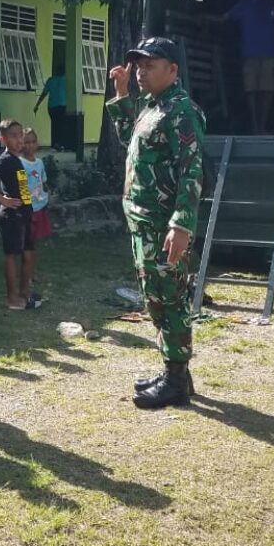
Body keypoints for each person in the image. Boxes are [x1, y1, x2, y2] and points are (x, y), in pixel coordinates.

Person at [106, 37, 208, 409]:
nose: (140, 71)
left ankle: (176, 381)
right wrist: (120, 94)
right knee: (156, 300)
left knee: (171, 298)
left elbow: (192, 172)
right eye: (138, 65)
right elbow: (130, 142)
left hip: (164, 227)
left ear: (173, 70)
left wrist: (181, 225)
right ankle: (174, 371)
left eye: (150, 65)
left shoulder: (181, 111)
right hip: (144, 225)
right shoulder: (152, 107)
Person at [205, 0, 274, 134]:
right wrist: (206, 18)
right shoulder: (244, 5)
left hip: (269, 54)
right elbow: (224, 18)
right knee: (251, 91)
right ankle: (256, 126)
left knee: (267, 91)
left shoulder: (272, 6)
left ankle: (263, 125)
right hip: (250, 54)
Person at [0, 119, 40, 311]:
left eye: (20, 135)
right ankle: (12, 297)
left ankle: (24, 292)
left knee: (28, 255)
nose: (19, 140)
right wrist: (2, 200)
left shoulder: (17, 160)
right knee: (12, 256)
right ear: (2, 139)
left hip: (25, 213)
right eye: (13, 136)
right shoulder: (5, 160)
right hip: (12, 216)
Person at [21, 127, 53, 249]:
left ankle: (31, 264)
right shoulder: (20, 163)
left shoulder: (39, 162)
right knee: (26, 238)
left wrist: (47, 195)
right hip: (27, 207)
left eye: (33, 142)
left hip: (39, 204)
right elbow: (22, 186)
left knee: (34, 240)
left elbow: (43, 180)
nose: (30, 146)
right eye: (27, 142)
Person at [33, 60, 68, 150]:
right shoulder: (67, 80)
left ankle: (55, 144)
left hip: (52, 107)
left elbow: (44, 93)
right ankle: (59, 144)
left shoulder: (50, 80)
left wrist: (37, 104)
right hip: (62, 106)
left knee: (55, 125)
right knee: (63, 126)